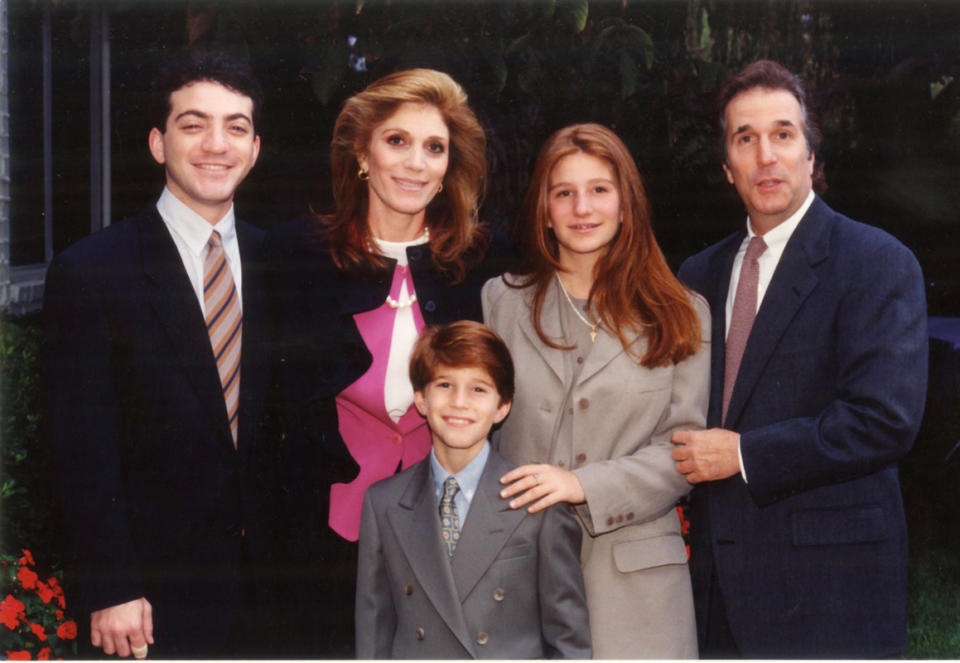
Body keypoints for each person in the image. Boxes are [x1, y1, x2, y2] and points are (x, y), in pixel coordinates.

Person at [671, 60, 928, 658]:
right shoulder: (697, 276)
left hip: (830, 594)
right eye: (745, 138)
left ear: (811, 156)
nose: (766, 156)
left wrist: (740, 452)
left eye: (783, 134)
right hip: (715, 588)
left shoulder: (876, 262)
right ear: (726, 167)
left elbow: (883, 420)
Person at [266, 68, 509, 656]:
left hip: (453, 537)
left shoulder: (481, 263)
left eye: (435, 148)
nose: (415, 163)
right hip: (324, 539)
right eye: (397, 140)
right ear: (362, 154)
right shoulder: (296, 256)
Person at [43, 51, 276, 658]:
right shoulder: (92, 272)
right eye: (193, 124)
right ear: (157, 142)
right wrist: (112, 585)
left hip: (274, 593)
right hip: (153, 599)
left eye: (236, 127)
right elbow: (80, 449)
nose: (215, 145)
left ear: (255, 149)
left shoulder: (286, 263)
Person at [482, 123, 709, 658]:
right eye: (564, 192)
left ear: (627, 203)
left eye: (600, 190)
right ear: (544, 208)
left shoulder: (683, 313)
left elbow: (683, 453)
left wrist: (580, 484)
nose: (582, 208)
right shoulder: (501, 302)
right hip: (518, 577)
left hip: (639, 587)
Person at [355, 321, 591, 658]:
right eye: (445, 384)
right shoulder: (384, 503)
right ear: (421, 399)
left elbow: (569, 640)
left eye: (478, 389)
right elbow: (373, 635)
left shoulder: (536, 499)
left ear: (502, 407)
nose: (459, 402)